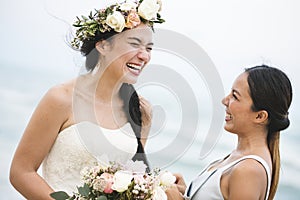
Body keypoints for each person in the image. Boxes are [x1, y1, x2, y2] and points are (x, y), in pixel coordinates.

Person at [9, 0, 165, 199]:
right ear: (103, 46)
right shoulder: (61, 98)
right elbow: (21, 172)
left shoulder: (140, 110)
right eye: (134, 44)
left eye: (149, 48)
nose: (144, 56)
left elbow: (135, 180)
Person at [166, 65, 293, 200]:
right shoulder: (239, 157)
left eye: (235, 96)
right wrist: (188, 193)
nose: (225, 101)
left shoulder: (248, 170)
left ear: (260, 116)